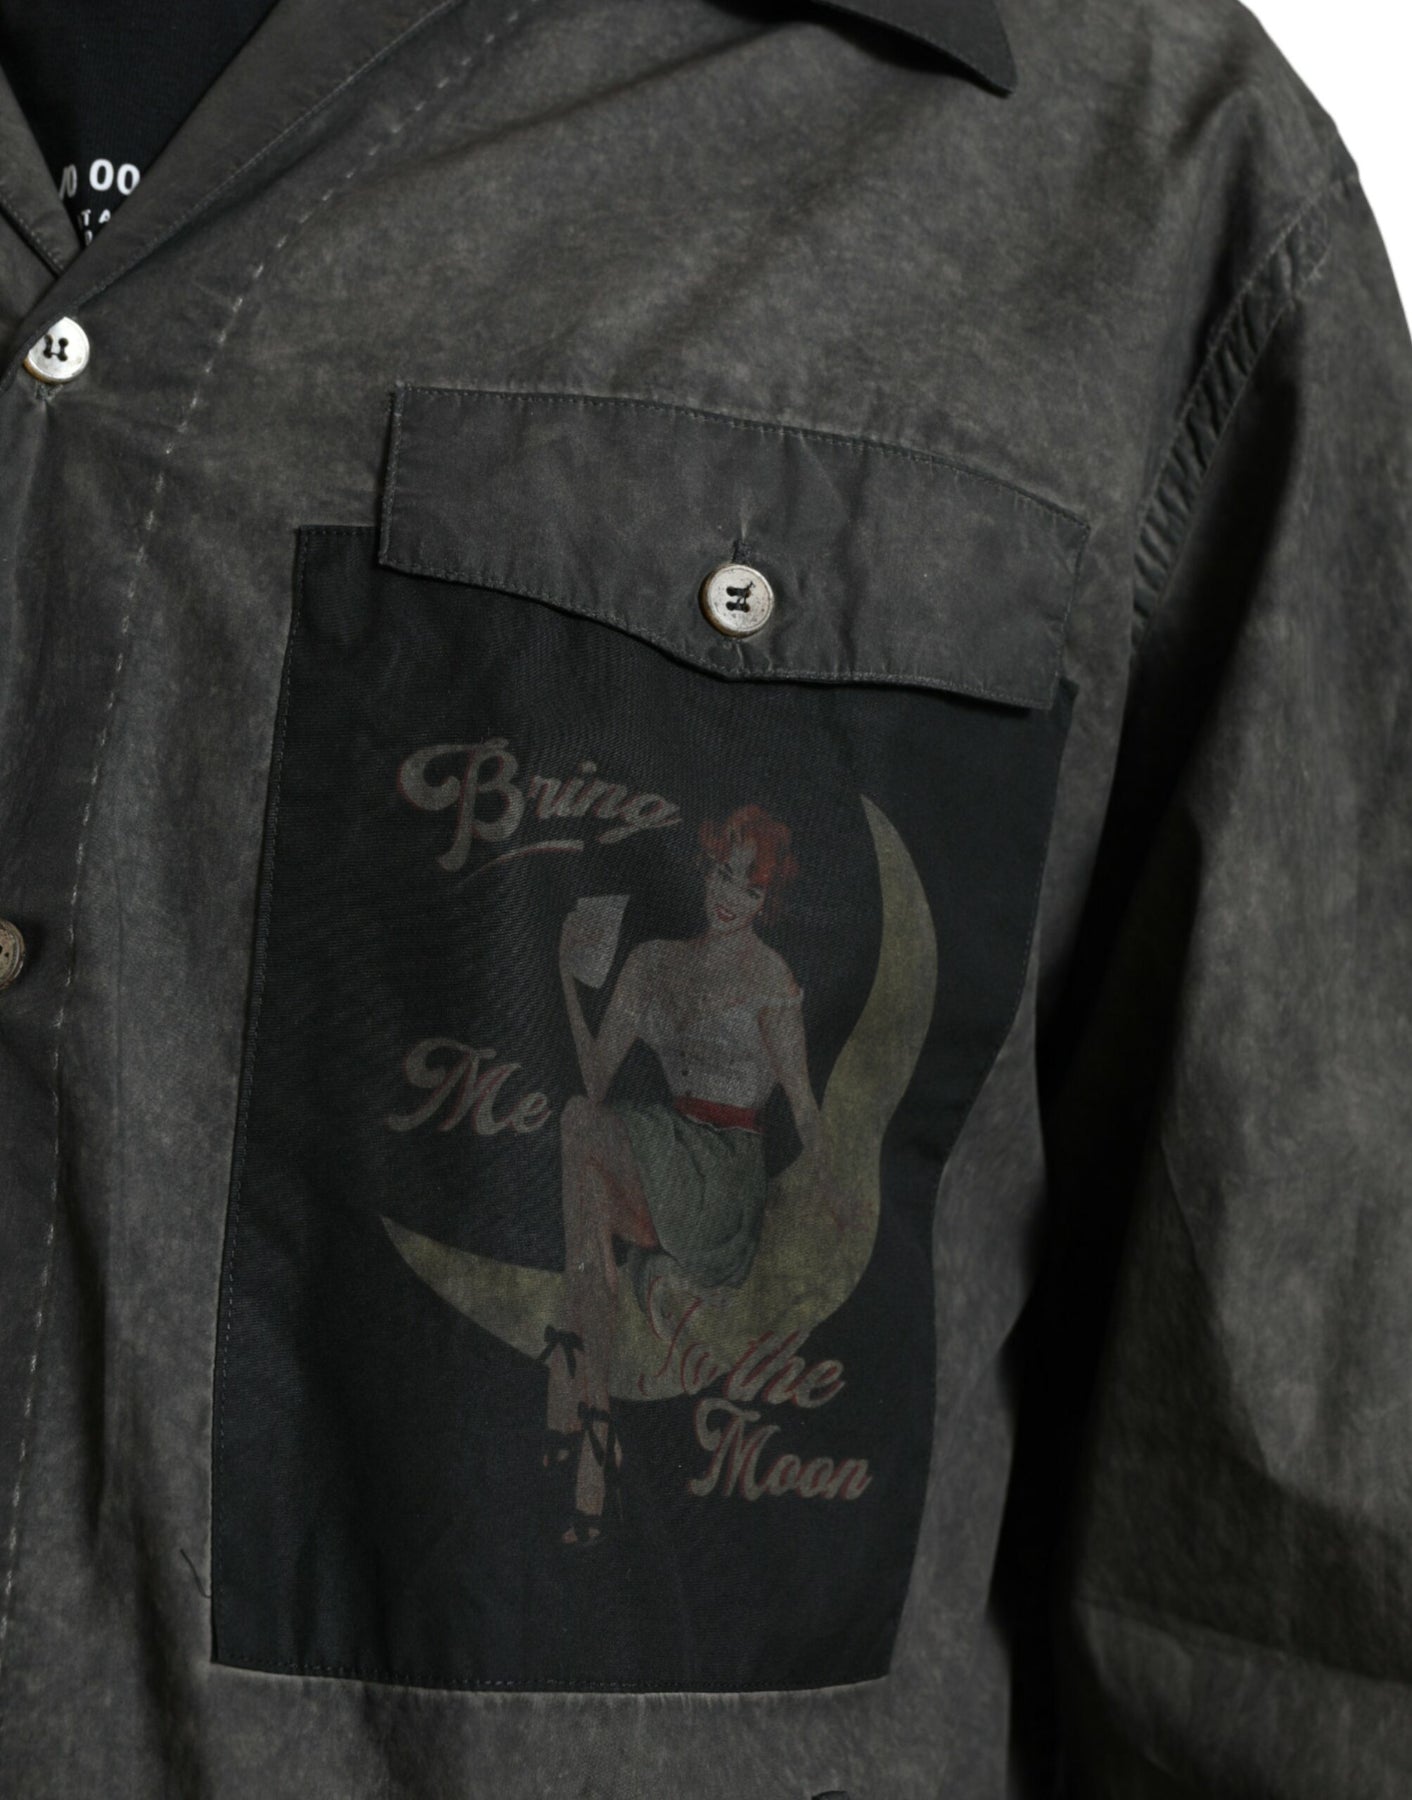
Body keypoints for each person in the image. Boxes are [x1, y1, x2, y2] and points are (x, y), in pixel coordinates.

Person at [1, 0, 1410, 1794]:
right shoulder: (666, 967)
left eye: (747, 867)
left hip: (725, 1217)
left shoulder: (1139, 175)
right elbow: (596, 1073)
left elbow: (1295, 1620)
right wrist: (590, 993)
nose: (733, 880)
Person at [542, 803, 817, 1544]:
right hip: (664, 1160)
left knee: (581, 1136)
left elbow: (804, 1108)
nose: (730, 896)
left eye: (750, 888)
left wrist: (827, 1196)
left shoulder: (770, 978)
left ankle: (575, 1405)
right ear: (705, 868)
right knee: (583, 1155)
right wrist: (565, 977)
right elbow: (594, 1080)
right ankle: (594, 1433)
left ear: (767, 901)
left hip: (723, 1181)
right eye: (724, 874)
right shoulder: (651, 962)